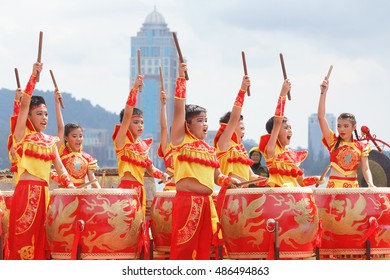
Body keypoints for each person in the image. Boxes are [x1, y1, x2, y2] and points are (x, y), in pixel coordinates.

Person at [169, 62, 240, 260]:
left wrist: (228, 180)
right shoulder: (180, 140)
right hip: (187, 202)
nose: (205, 125)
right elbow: (178, 109)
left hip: (207, 203)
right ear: (187, 125)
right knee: (183, 249)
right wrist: (181, 78)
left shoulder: (209, 149)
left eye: (206, 120)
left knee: (203, 252)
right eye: (200, 120)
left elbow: (217, 177)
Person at [8, 62, 75, 260]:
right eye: (39, 114)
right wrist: (33, 77)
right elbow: (24, 105)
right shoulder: (21, 135)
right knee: (23, 239)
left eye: (46, 114)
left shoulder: (50, 141)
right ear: (28, 116)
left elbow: (61, 169)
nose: (44, 118)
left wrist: (71, 186)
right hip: (26, 192)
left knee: (42, 241)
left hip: (45, 194)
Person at [112, 75, 169, 217]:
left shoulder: (143, 146)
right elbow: (127, 116)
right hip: (126, 190)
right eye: (135, 122)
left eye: (142, 122)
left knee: (139, 226)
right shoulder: (121, 140)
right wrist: (134, 89)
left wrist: (162, 175)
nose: (140, 125)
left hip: (140, 190)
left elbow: (150, 169)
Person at [214, 75, 267, 215]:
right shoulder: (224, 143)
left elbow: (250, 176)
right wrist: (243, 89)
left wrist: (267, 180)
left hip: (245, 196)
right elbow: (234, 117)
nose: (244, 131)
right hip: (230, 195)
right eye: (241, 128)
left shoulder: (241, 150)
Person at [259, 79, 323, 188]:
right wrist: (283, 93)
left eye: (290, 127)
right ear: (275, 131)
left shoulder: (292, 156)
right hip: (277, 195)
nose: (290, 130)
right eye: (285, 128)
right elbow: (277, 121)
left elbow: (302, 182)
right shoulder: (271, 150)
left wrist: (315, 179)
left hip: (292, 195)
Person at [318, 77, 376, 188]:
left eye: (346, 126)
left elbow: (365, 168)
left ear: (354, 127)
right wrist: (323, 93)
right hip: (334, 188)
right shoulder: (333, 141)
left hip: (352, 189)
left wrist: (371, 184)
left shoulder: (361, 147)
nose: (341, 129)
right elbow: (321, 117)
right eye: (339, 126)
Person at [53, 89, 101, 188]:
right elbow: (60, 128)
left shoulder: (87, 158)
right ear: (66, 137)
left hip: (81, 196)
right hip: (64, 196)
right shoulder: (61, 152)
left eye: (80, 136)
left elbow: (92, 179)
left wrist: (103, 194)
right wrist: (57, 104)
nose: (78, 139)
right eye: (74, 136)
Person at [157, 89, 175, 191]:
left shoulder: (189, 149)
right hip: (170, 190)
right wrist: (163, 105)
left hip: (186, 191)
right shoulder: (167, 148)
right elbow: (164, 127)